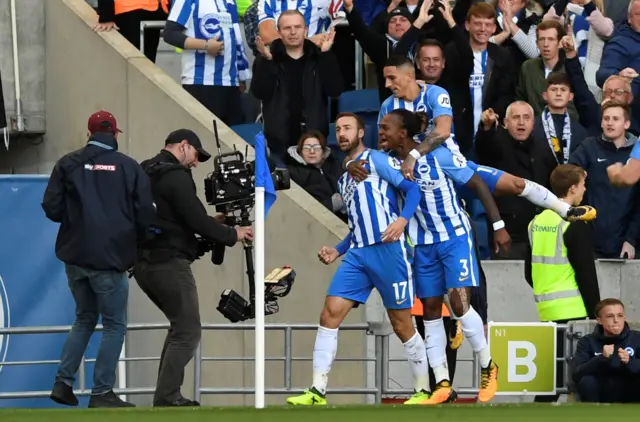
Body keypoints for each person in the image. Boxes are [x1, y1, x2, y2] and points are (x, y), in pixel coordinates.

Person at [286, 112, 430, 406]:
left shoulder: (377, 160)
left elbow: (412, 189)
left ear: (361, 133)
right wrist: (337, 250)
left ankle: (423, 389)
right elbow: (357, 225)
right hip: (358, 254)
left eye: (347, 128)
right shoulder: (344, 180)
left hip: (389, 250)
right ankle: (317, 390)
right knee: (329, 314)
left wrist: (402, 221)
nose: (341, 133)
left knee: (402, 324)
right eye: (338, 129)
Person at [379, 109, 506, 404]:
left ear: (403, 133)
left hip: (455, 237)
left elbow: (475, 183)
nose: (381, 132)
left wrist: (497, 225)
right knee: (432, 311)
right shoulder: (387, 163)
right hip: (423, 243)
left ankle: (489, 367)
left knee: (460, 304)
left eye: (386, 127)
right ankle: (442, 383)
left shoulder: (440, 154)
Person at [133, 129, 253, 407]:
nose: (196, 163)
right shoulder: (176, 176)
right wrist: (233, 234)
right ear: (184, 146)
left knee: (180, 328)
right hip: (168, 263)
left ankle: (166, 395)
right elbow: (196, 221)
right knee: (188, 331)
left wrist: (214, 222)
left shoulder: (145, 170)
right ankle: (167, 397)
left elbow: (177, 218)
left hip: (143, 263)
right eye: (196, 156)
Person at [43, 110, 155, 408]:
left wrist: (78, 220)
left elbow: (51, 208)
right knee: (115, 324)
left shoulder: (68, 163)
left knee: (83, 319)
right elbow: (146, 213)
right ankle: (101, 392)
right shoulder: (129, 167)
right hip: (111, 257)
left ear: (89, 133)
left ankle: (63, 383)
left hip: (75, 255)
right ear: (115, 134)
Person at [525, 163, 601, 403]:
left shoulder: (535, 222)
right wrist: (596, 311)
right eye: (582, 185)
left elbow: (529, 271)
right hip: (574, 308)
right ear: (571, 189)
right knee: (574, 377)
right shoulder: (573, 222)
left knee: (552, 376)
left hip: (546, 307)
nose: (584, 190)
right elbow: (586, 273)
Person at [162, 0, 251, 126]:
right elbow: (169, 34)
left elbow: (234, 39)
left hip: (231, 82)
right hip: (201, 82)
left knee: (233, 141)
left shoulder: (230, 2)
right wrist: (205, 45)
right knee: (206, 140)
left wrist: (240, 77)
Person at [570, 101, 640, 259]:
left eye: (615, 119)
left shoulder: (637, 154)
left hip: (626, 244)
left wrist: (631, 239)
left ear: (627, 123)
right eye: (606, 118)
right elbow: (568, 178)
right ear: (601, 122)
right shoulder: (588, 148)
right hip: (590, 242)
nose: (609, 123)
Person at [572, 298, 640, 403]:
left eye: (620, 316)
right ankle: (593, 415)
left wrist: (630, 361)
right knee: (587, 381)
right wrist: (601, 358)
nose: (616, 320)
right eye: (610, 316)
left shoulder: (637, 338)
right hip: (601, 390)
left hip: (630, 391)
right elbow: (577, 374)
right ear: (599, 320)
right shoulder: (587, 341)